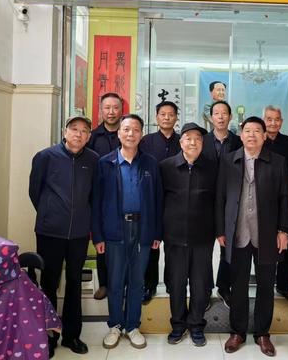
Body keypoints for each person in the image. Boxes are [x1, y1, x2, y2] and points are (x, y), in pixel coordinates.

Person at [217, 117, 288, 357]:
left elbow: (284, 197)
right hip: (238, 233)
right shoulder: (229, 160)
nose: (251, 135)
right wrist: (221, 230)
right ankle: (237, 331)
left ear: (264, 136)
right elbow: (220, 197)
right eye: (247, 131)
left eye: (257, 131)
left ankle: (262, 333)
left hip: (267, 234)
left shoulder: (277, 162)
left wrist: (284, 230)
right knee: (238, 285)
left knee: (266, 286)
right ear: (241, 136)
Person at [29, 115, 99, 356]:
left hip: (79, 233)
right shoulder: (45, 157)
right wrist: (51, 214)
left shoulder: (93, 160)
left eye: (84, 131)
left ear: (89, 136)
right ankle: (49, 336)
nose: (79, 134)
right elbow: (35, 192)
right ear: (64, 132)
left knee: (74, 282)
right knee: (49, 282)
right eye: (74, 129)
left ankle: (72, 335)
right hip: (50, 232)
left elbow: (94, 196)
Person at [91, 114, 163, 350]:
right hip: (115, 229)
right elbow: (96, 201)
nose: (131, 134)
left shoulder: (150, 163)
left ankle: (132, 326)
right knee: (114, 280)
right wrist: (98, 235)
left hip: (142, 229)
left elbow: (158, 200)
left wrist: (157, 233)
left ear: (141, 134)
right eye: (126, 129)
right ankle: (115, 325)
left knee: (136, 280)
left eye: (135, 130)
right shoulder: (105, 163)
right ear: (119, 133)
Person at [160, 122, 217, 347]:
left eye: (198, 139)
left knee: (200, 284)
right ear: (181, 142)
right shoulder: (166, 167)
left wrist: (219, 231)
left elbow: (218, 201)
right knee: (176, 283)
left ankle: (196, 325)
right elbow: (158, 200)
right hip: (174, 236)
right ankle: (178, 324)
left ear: (203, 143)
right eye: (188, 138)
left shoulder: (213, 167)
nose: (193, 142)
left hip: (203, 236)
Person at [201, 100, 242, 308]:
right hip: (205, 201)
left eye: (224, 113)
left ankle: (224, 287)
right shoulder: (202, 141)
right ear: (211, 117)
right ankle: (205, 289)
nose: (220, 117)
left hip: (230, 201)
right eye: (216, 113)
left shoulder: (239, 142)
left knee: (229, 248)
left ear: (230, 116)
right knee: (204, 249)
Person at [139, 100, 181, 303]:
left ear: (176, 117)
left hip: (175, 199)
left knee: (173, 245)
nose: (166, 118)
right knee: (152, 244)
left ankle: (173, 283)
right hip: (151, 199)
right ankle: (150, 284)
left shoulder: (182, 140)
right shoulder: (146, 141)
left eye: (171, 114)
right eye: (163, 114)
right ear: (156, 117)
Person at [262, 105, 288, 302]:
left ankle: (284, 286)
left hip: (285, 198)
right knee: (264, 244)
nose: (273, 123)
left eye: (276, 119)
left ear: (282, 122)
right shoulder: (258, 141)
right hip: (262, 200)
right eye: (269, 119)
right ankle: (265, 285)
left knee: (286, 243)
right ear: (264, 120)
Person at [87, 92, 123, 300]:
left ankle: (123, 282)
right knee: (102, 240)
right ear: (101, 110)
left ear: (121, 110)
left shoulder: (128, 133)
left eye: (115, 108)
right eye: (107, 108)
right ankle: (104, 284)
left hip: (126, 194)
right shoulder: (92, 137)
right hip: (101, 196)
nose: (111, 112)